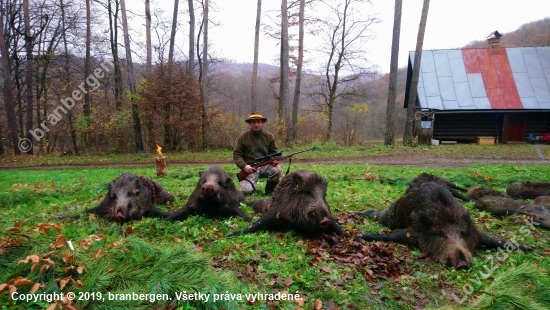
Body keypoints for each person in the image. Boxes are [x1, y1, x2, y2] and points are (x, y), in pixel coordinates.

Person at [233, 112, 282, 195]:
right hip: (250, 168)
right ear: (250, 124)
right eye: (253, 122)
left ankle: (270, 190)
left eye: (258, 122)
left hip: (266, 166)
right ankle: (250, 187)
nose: (256, 124)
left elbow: (275, 153)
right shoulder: (243, 137)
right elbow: (237, 155)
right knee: (246, 191)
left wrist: (275, 161)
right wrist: (244, 166)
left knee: (277, 170)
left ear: (262, 123)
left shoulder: (269, 136)